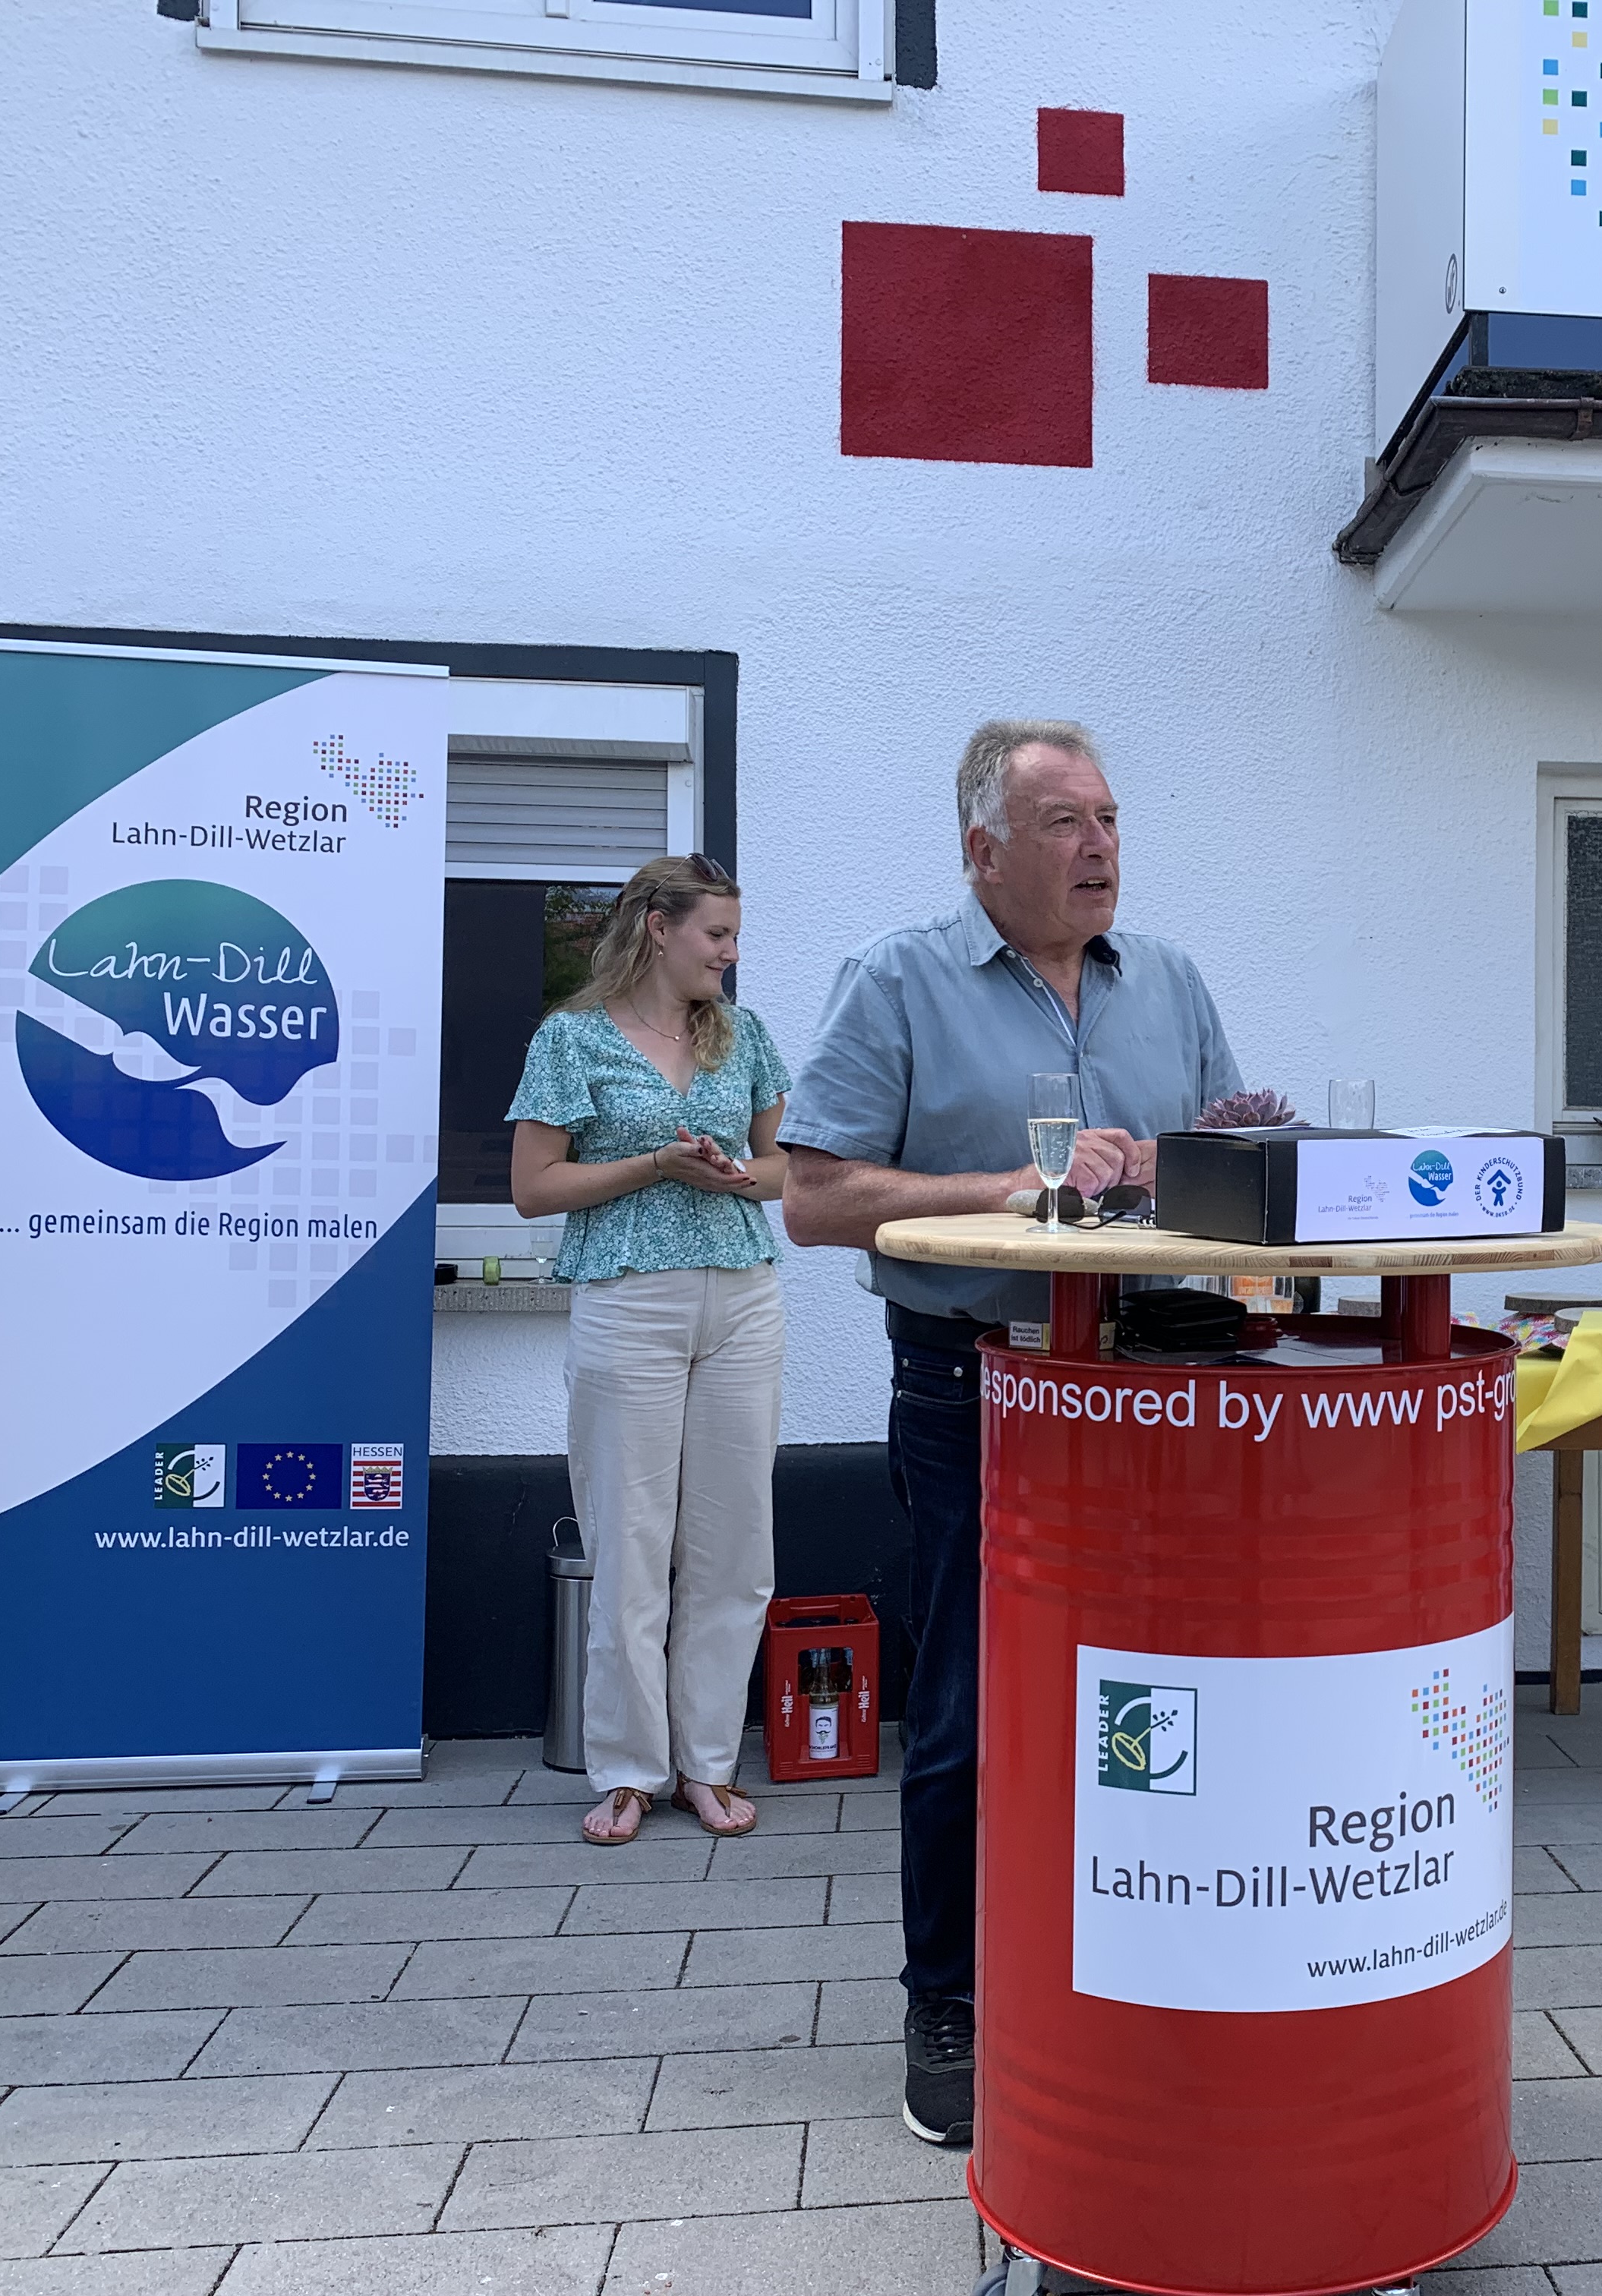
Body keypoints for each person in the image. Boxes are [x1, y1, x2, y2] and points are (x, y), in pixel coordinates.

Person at [781, 720, 1240, 2146]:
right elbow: (814, 1196)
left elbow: (1237, 1160)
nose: (1100, 846)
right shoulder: (899, 976)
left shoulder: (1168, 980)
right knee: (978, 1708)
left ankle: (1144, 1972)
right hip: (976, 1380)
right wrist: (1016, 1190)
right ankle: (952, 2004)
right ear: (982, 849)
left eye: (1108, 817)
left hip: (1155, 1384)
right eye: (1064, 824)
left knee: (1161, 1699)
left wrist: (1202, 1170)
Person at [508, 855, 791, 1852]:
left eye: (733, 933)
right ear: (657, 929)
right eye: (716, 933)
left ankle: (707, 1766)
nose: (730, 951)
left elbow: (786, 1169)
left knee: (733, 1548)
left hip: (742, 1299)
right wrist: (655, 1166)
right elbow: (535, 1189)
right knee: (629, 1546)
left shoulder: (743, 1034)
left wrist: (732, 1176)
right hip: (627, 1299)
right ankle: (628, 1771)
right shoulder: (571, 1039)